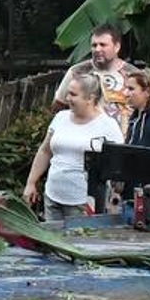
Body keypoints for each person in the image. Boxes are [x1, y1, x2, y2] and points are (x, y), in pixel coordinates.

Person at [25, 70, 122, 222]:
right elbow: (45, 151)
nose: (67, 98)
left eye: (73, 94)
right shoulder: (60, 118)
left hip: (84, 201)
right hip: (53, 196)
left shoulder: (108, 126)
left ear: (90, 98)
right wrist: (31, 182)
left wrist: (115, 194)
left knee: (80, 242)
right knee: (52, 241)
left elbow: (118, 163)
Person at [53, 22, 133, 131]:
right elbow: (59, 105)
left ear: (117, 47)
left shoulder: (132, 74)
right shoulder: (77, 72)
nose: (97, 49)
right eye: (94, 45)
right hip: (84, 137)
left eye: (103, 45)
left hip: (123, 140)